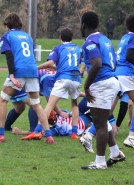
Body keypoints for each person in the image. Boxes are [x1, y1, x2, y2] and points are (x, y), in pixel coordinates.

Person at [0, 12, 54, 144]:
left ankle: (0, 136)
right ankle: (48, 136)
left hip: (19, 70)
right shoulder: (28, 37)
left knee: (2, 100)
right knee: (37, 104)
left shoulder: (6, 36)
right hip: (32, 70)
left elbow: (9, 55)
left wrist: (12, 76)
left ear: (7, 24)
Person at [80, 11, 125, 170]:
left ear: (83, 25)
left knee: (99, 124)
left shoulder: (90, 41)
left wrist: (86, 86)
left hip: (102, 82)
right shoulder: (105, 39)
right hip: (111, 80)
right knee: (102, 121)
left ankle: (100, 162)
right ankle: (115, 153)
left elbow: (97, 63)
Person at [23, 27, 81, 140]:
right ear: (72, 38)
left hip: (63, 78)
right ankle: (74, 133)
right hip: (76, 79)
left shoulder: (59, 48)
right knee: (74, 105)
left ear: (60, 37)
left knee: (49, 105)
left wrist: (36, 68)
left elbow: (50, 63)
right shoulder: (77, 49)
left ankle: (38, 131)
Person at [114, 13, 134, 148]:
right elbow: (129, 55)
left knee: (110, 106)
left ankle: (90, 133)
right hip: (127, 74)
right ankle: (131, 136)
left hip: (118, 72)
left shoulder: (125, 37)